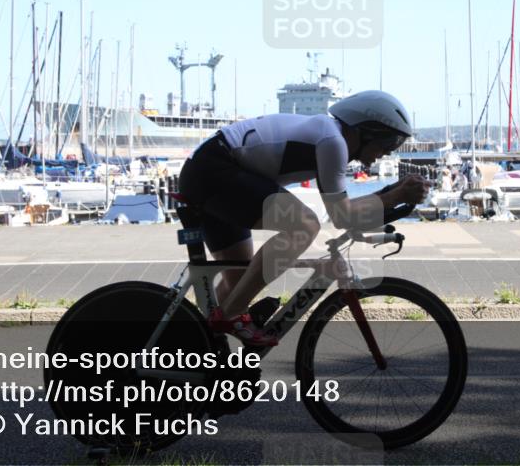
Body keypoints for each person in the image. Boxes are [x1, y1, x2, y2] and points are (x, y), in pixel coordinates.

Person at [178, 90, 430, 346]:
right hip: (214, 170)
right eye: (388, 143)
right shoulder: (332, 142)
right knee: (305, 225)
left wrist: (393, 194)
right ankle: (231, 316)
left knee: (238, 283)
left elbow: (343, 210)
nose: (387, 153)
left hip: (209, 172)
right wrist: (395, 194)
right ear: (365, 131)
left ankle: (200, 351)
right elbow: (342, 215)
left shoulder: (330, 135)